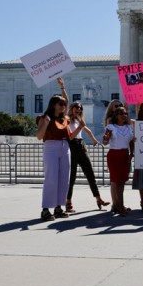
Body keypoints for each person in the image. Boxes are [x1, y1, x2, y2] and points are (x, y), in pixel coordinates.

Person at [36, 77, 71, 221]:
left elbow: (67, 101)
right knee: (51, 178)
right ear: (53, 105)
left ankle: (58, 207)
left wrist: (62, 87)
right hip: (51, 147)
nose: (63, 106)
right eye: (60, 104)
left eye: (63, 104)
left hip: (65, 147)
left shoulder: (65, 119)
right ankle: (45, 209)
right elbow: (39, 136)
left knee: (64, 179)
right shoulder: (44, 118)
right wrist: (45, 124)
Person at [65, 102, 110, 212]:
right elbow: (70, 136)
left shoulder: (78, 121)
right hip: (72, 146)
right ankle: (68, 202)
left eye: (80, 108)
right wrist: (80, 127)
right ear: (71, 108)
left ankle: (99, 199)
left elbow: (87, 130)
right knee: (72, 176)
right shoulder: (66, 119)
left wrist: (94, 140)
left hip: (81, 146)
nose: (79, 109)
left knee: (90, 173)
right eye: (77, 107)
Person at [103, 106, 135, 217]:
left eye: (125, 113)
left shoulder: (129, 127)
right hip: (114, 155)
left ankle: (118, 205)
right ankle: (120, 207)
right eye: (121, 113)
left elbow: (131, 142)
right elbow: (106, 142)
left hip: (125, 155)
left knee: (122, 181)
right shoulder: (111, 127)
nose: (124, 115)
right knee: (117, 182)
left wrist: (131, 154)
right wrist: (105, 138)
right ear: (116, 115)